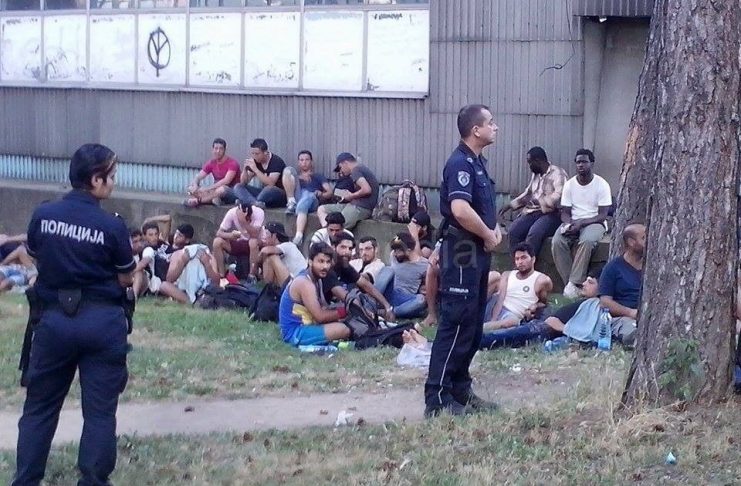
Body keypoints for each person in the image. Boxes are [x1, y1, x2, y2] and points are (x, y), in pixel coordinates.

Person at [13, 143, 136, 485]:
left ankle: (26, 479)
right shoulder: (111, 226)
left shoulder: (43, 214)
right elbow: (126, 277)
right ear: (96, 180)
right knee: (99, 412)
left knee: (39, 408)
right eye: (111, 176)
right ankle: (93, 479)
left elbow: (35, 255)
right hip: (102, 322)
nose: (113, 182)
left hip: (53, 320)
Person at [424, 104, 502, 417]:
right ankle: (438, 398)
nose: (495, 127)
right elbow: (460, 210)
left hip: (477, 250)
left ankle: (460, 389)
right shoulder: (459, 163)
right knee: (456, 321)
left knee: (472, 323)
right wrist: (486, 233)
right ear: (475, 130)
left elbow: (481, 206)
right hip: (462, 250)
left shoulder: (477, 162)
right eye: (491, 122)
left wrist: (494, 228)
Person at [551, 149, 612, 298]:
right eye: (578, 162)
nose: (580, 165)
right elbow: (565, 212)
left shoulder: (602, 184)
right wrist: (569, 224)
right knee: (557, 241)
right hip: (574, 221)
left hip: (594, 222)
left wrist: (582, 223)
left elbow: (602, 215)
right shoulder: (570, 184)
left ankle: (575, 283)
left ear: (592, 163)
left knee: (587, 241)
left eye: (584, 162)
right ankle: (572, 286)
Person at [479, 243, 552, 348]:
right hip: (495, 305)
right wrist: (494, 318)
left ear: (533, 259)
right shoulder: (508, 274)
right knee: (494, 275)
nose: (520, 262)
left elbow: (544, 303)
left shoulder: (542, 280)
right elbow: (500, 299)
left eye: (523, 258)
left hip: (513, 314)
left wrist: (535, 306)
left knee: (513, 322)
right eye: (517, 259)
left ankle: (479, 329)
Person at [278, 242, 352, 347]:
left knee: (343, 321)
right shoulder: (304, 283)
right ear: (310, 261)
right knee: (344, 329)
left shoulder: (317, 279)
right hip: (295, 333)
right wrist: (345, 311)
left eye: (328, 262)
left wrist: (346, 308)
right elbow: (320, 317)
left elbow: (324, 307)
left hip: (308, 326)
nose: (325, 266)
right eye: (321, 261)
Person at [499, 146, 567, 258]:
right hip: (533, 212)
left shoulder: (558, 173)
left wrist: (537, 201)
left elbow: (560, 198)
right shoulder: (536, 174)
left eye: (530, 162)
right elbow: (528, 194)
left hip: (552, 214)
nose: (529, 166)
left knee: (534, 233)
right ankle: (517, 264)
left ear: (538, 161)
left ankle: (529, 265)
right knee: (513, 231)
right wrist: (510, 205)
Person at [599, 223, 645, 346]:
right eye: (644, 238)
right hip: (623, 318)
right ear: (631, 242)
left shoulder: (652, 266)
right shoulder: (613, 268)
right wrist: (630, 312)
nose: (649, 241)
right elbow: (605, 302)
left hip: (648, 316)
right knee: (633, 333)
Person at [282, 150, 333, 246]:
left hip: (312, 201)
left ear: (311, 162)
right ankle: (291, 203)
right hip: (298, 199)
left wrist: (321, 194)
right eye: (301, 160)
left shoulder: (317, 176)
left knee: (308, 194)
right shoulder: (295, 178)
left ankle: (298, 235)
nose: (304, 162)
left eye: (307, 160)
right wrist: (299, 179)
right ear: (298, 162)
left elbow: (329, 192)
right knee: (288, 170)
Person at [316, 152, 379, 230]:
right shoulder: (361, 168)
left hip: (361, 207)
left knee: (338, 225)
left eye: (340, 167)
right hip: (352, 204)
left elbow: (367, 189)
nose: (341, 171)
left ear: (345, 163)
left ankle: (329, 233)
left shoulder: (356, 170)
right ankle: (326, 230)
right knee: (322, 209)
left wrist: (351, 196)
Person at [373, 232, 428, 319]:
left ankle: (390, 312)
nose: (395, 253)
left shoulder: (424, 264)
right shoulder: (393, 256)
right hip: (389, 292)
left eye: (398, 251)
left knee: (421, 300)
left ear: (408, 251)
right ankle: (371, 303)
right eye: (394, 250)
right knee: (388, 269)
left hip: (404, 298)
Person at [211, 201, 266, 282]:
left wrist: (244, 222)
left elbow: (255, 234)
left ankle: (252, 275)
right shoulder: (232, 212)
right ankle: (222, 274)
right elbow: (219, 233)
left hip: (256, 242)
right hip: (239, 240)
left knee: (253, 242)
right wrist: (230, 235)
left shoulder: (259, 212)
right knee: (217, 242)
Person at [184, 137, 241, 207]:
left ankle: (198, 201)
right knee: (190, 188)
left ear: (225, 150)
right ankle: (213, 199)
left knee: (222, 189)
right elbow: (198, 177)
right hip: (215, 191)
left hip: (231, 192)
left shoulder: (233, 163)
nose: (218, 151)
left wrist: (207, 189)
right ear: (213, 149)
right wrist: (195, 186)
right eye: (216, 148)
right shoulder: (212, 162)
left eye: (221, 149)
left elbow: (226, 181)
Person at [233, 138, 287, 208]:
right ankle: (255, 203)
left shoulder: (276, 162)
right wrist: (245, 169)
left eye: (257, 154)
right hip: (262, 193)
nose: (254, 156)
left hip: (278, 194)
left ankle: (247, 201)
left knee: (268, 189)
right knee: (238, 186)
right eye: (252, 153)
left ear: (265, 153)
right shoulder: (255, 161)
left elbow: (271, 183)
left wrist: (255, 169)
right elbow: (243, 182)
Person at [258, 222, 307, 287]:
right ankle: (267, 288)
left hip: (297, 283)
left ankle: (267, 288)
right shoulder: (284, 246)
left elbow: (265, 251)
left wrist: (257, 262)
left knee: (272, 257)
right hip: (295, 281)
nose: (264, 237)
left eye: (266, 233)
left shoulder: (287, 245)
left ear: (274, 236)